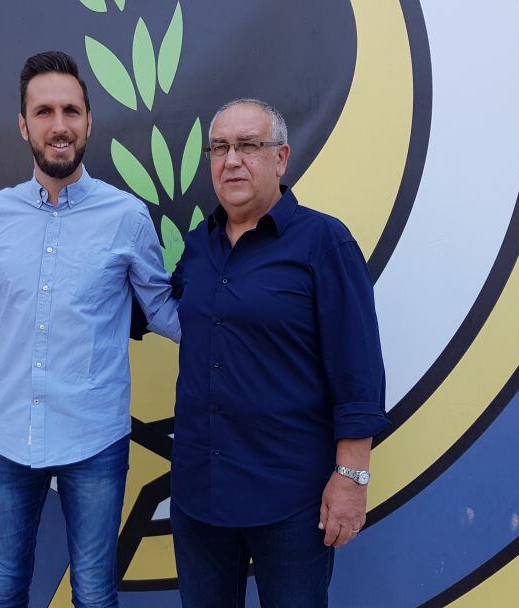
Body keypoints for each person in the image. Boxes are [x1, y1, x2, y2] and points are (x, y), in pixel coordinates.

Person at [0, 51, 179, 608]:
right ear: (24, 125)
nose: (59, 125)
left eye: (71, 111)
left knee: (94, 594)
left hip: (94, 438)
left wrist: (252, 334)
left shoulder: (127, 217)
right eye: (44, 111)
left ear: (89, 122)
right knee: (2, 590)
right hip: (6, 434)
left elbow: (164, 310)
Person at [168, 99, 390, 607]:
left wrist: (352, 477)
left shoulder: (323, 242)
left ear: (281, 158)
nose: (231, 160)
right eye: (220, 147)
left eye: (249, 145)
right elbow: (157, 306)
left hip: (289, 500)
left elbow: (359, 371)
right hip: (201, 494)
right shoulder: (199, 245)